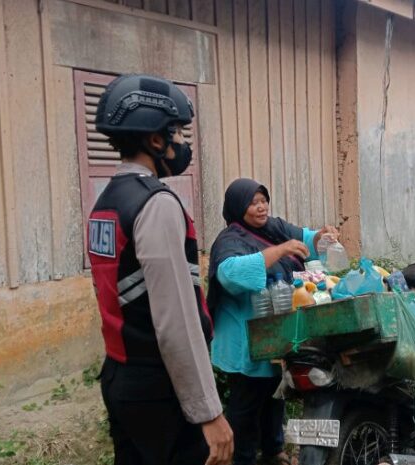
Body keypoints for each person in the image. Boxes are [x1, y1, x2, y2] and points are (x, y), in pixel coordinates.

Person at [89, 74, 233, 465]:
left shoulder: (108, 201)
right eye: (180, 134)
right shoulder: (156, 203)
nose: (184, 144)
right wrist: (209, 412)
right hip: (159, 387)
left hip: (121, 376)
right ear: (156, 140)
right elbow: (176, 321)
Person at [207, 178, 338, 465]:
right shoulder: (230, 240)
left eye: (263, 200)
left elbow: (304, 239)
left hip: (275, 330)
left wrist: (321, 237)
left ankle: (273, 451)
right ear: (238, 207)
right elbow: (229, 274)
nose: (261, 207)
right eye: (253, 203)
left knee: (274, 394)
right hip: (244, 335)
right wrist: (278, 251)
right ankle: (241, 458)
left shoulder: (273, 228)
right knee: (247, 403)